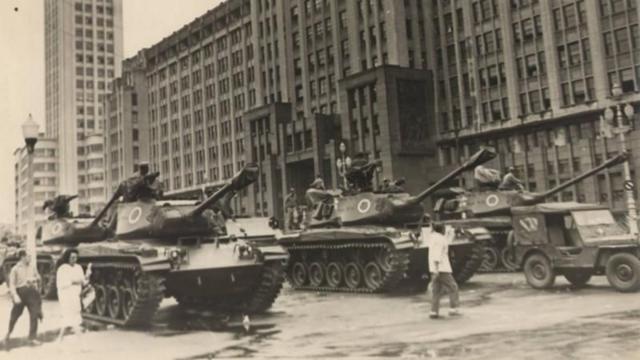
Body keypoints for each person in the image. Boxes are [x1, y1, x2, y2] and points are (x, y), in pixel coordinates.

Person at [4, 250, 42, 346]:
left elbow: (38, 277)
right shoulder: (15, 269)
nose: (30, 258)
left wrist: (35, 280)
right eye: (28, 256)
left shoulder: (32, 267)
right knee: (14, 316)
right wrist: (15, 295)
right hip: (20, 293)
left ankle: (32, 338)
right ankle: (8, 332)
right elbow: (12, 284)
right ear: (22, 257)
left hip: (31, 293)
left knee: (34, 315)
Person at [424, 222, 460, 319]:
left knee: (437, 291)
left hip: (435, 268)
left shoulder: (433, 238)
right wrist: (436, 269)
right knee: (453, 287)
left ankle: (434, 312)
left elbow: (445, 243)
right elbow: (437, 254)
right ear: (442, 229)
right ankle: (453, 309)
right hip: (441, 268)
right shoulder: (440, 239)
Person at [56, 249, 92, 342]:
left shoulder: (78, 267)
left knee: (68, 319)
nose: (74, 259)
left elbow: (83, 282)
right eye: (72, 257)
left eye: (75, 257)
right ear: (67, 257)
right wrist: (75, 281)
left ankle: (59, 340)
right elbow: (61, 284)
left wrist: (87, 275)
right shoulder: (62, 268)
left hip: (75, 296)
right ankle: (82, 343)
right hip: (66, 296)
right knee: (73, 320)